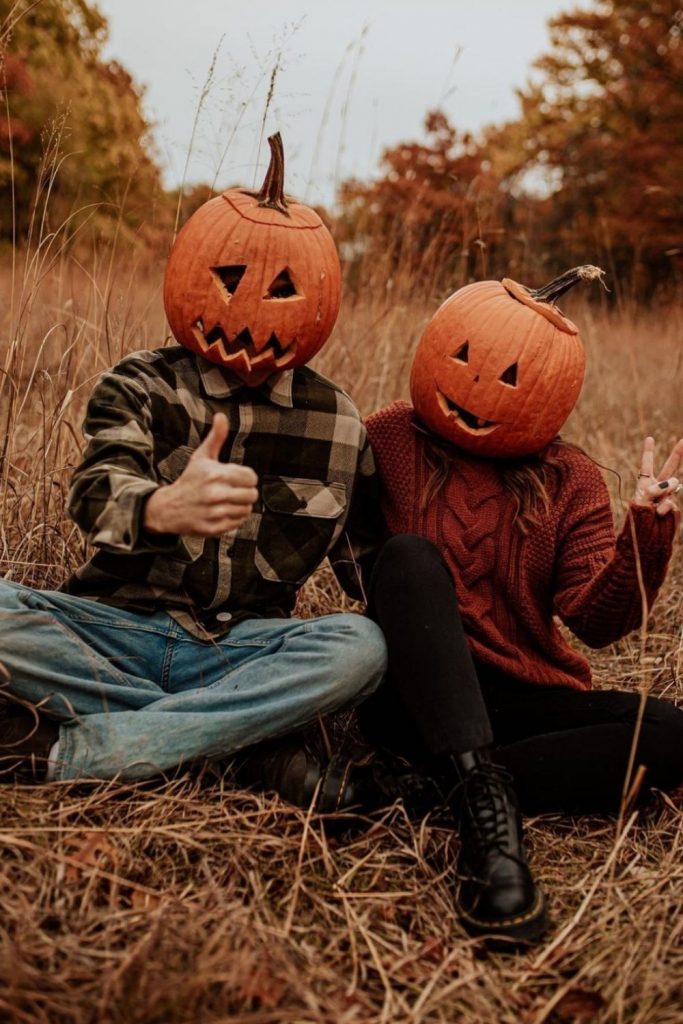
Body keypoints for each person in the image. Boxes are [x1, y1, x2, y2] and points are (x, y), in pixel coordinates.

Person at [0, 134, 386, 798]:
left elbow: (371, 575)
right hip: (109, 633)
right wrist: (160, 508)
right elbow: (95, 492)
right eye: (229, 279)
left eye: (284, 288)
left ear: (321, 295)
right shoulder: (137, 383)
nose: (249, 309)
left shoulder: (341, 423)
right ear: (191, 269)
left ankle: (92, 750)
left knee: (360, 647)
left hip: (239, 653)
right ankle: (236, 750)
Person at [359, 266, 683, 945]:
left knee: (673, 732)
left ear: (552, 394)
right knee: (411, 559)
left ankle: (445, 786)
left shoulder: (570, 480)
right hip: (417, 686)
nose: (478, 386)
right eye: (464, 359)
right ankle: (485, 821)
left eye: (509, 377)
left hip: (520, 695)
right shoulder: (388, 438)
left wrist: (644, 535)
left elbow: (595, 624)